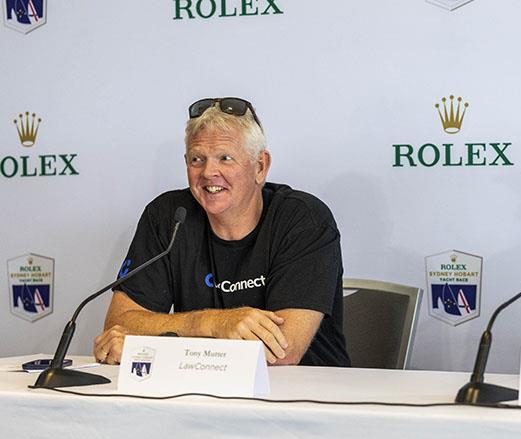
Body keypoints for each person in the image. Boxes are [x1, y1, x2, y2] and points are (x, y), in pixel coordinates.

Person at [94, 97, 349, 367]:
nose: (208, 172)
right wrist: (214, 323)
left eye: (225, 158)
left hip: (308, 396)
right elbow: (119, 324)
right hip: (201, 392)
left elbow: (281, 352)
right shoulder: (168, 216)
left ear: (260, 166)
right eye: (197, 159)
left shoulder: (303, 219)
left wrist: (157, 339)